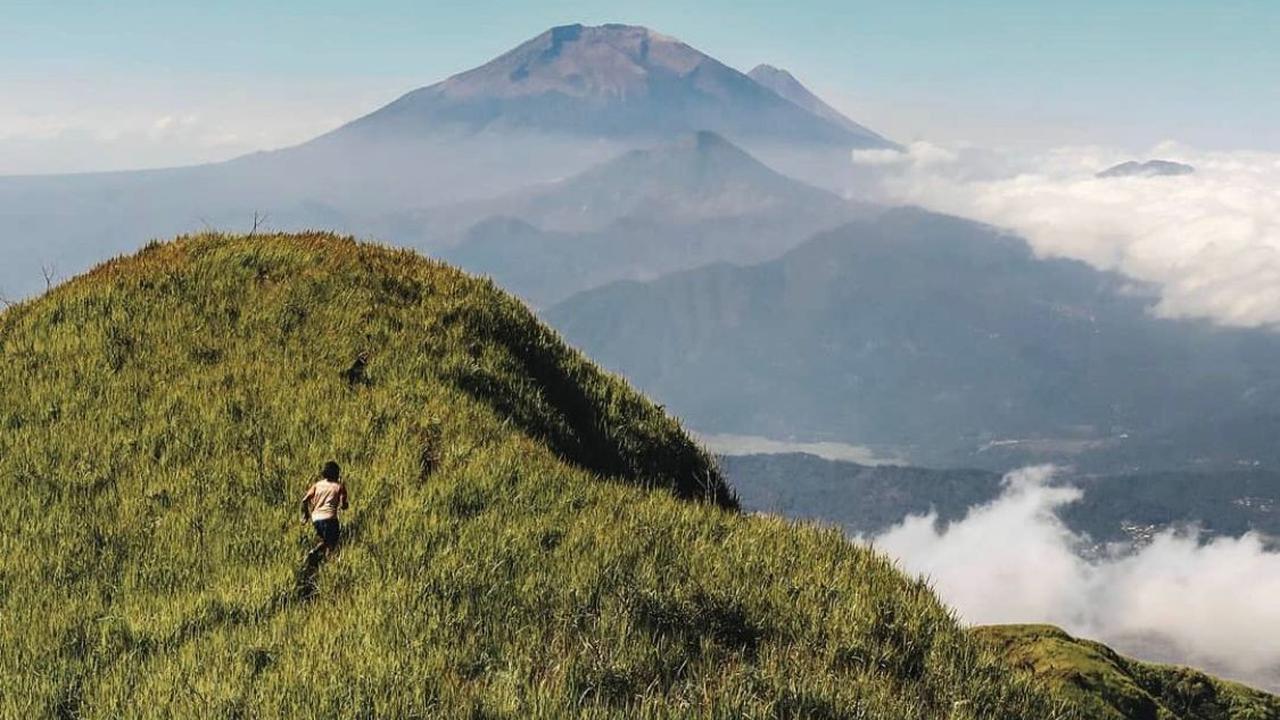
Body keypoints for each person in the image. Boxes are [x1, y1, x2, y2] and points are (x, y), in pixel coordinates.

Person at [301, 460, 349, 557]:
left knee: (326, 540)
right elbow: (343, 505)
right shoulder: (339, 486)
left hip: (316, 519)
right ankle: (316, 553)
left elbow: (305, 500)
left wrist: (306, 515)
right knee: (331, 543)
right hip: (330, 518)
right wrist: (344, 505)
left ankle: (318, 559)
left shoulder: (317, 485)